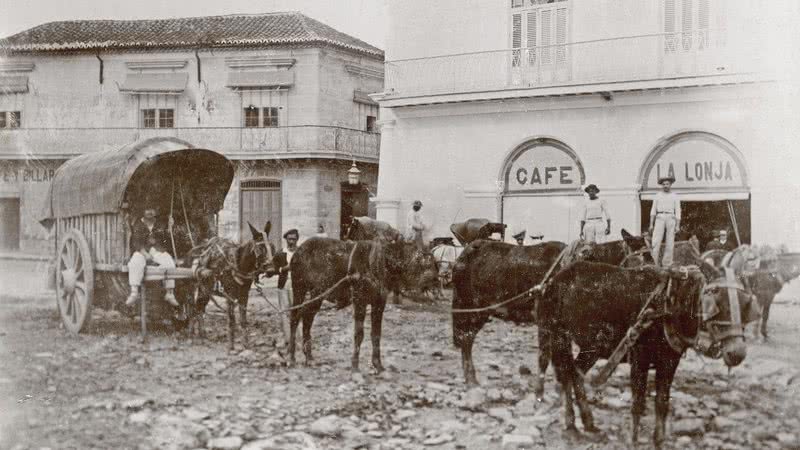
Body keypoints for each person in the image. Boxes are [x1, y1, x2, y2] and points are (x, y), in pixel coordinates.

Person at [126, 207, 179, 307]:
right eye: (147, 209)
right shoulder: (138, 224)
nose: (150, 212)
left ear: (156, 212)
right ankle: (134, 292)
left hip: (157, 250)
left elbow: (165, 240)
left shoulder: (159, 224)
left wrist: (169, 228)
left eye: (152, 210)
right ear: (143, 212)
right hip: (142, 251)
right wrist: (145, 254)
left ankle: (169, 293)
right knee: (135, 263)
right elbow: (136, 242)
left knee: (169, 262)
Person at [649, 176, 681, 267]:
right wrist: (651, 224)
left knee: (670, 241)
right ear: (661, 185)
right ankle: (653, 262)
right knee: (656, 241)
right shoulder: (657, 195)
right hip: (660, 217)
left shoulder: (675, 196)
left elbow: (678, 211)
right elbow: (653, 210)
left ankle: (667, 263)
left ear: (670, 185)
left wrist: (678, 225)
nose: (665, 186)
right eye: (663, 184)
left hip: (671, 217)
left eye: (667, 184)